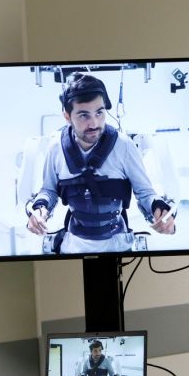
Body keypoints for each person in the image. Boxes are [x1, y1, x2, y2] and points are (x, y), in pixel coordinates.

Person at [26, 72, 175, 253]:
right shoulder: (56, 147)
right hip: (73, 244)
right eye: (83, 115)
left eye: (100, 112)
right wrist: (39, 209)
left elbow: (145, 192)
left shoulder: (124, 146)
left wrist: (159, 209)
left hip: (117, 243)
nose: (94, 123)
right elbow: (48, 190)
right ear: (67, 116)